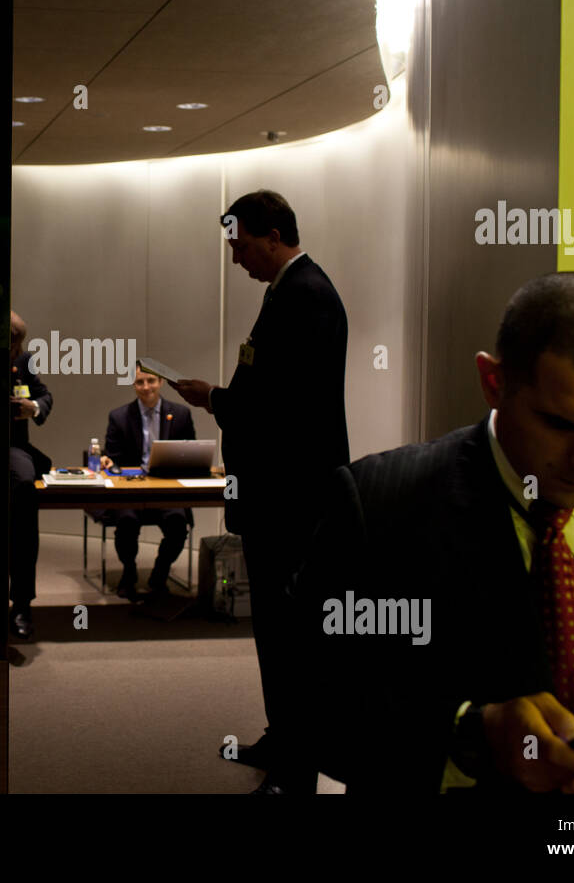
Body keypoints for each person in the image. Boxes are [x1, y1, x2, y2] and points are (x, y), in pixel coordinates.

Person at [297, 271, 574, 793]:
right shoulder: (377, 506)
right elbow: (312, 706)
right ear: (493, 383)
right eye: (562, 424)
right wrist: (468, 735)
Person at [172, 190, 349, 793]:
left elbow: (286, 407)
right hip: (277, 494)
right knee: (274, 628)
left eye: (240, 244)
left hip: (292, 499)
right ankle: (283, 739)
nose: (235, 257)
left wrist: (215, 399)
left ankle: (296, 769)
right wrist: (223, 398)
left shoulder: (308, 296)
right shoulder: (288, 294)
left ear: (273, 236)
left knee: (293, 634)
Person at [98, 368, 196, 599]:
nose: (146, 387)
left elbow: (190, 451)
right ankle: (129, 572)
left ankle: (159, 574)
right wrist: (108, 460)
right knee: (127, 523)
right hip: (131, 490)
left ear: (161, 382)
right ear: (133, 385)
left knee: (178, 524)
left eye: (151, 381)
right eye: (140, 382)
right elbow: (113, 456)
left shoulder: (181, 414)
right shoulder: (119, 416)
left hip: (168, 490)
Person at [9, 311, 53, 640]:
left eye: (21, 341)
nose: (20, 348)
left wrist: (32, 408)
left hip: (13, 446)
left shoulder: (24, 360)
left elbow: (45, 396)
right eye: (13, 341)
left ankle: (22, 604)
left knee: (25, 485)